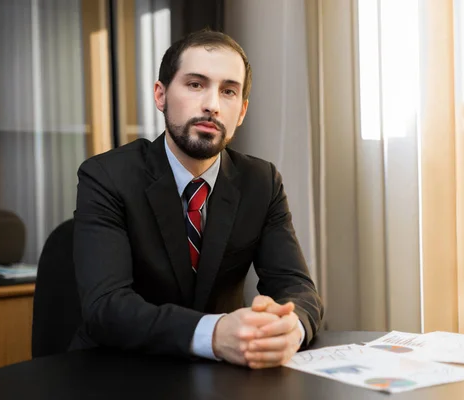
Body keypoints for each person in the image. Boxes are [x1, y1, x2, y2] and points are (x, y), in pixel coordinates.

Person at [69, 29, 323, 369]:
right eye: (195, 85)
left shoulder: (262, 182)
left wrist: (290, 327)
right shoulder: (106, 176)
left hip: (221, 376)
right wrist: (215, 333)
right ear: (160, 95)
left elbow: (297, 288)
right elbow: (106, 307)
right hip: (118, 372)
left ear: (242, 111)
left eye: (228, 91)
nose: (212, 105)